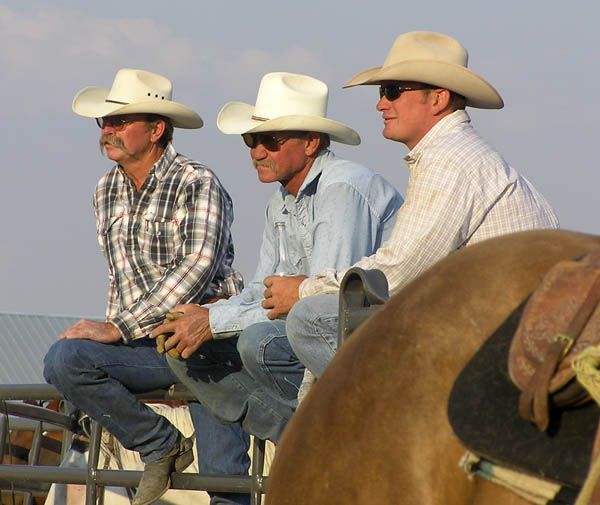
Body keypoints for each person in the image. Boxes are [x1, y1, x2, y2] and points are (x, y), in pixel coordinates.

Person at [150, 72, 402, 503]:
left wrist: (213, 320)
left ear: (310, 143)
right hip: (313, 336)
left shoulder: (342, 188)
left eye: (271, 140)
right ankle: (302, 436)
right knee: (186, 353)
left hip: (373, 341)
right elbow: (263, 288)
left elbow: (325, 301)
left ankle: (316, 437)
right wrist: (203, 318)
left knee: (256, 343)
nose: (258, 152)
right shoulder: (281, 201)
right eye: (252, 141)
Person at [262, 31, 560, 378]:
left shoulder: (449, 159)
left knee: (310, 318)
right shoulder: (454, 153)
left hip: (499, 332)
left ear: (438, 99)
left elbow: (396, 275)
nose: (380, 104)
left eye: (393, 91)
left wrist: (303, 289)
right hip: (505, 322)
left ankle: (382, 424)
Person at [43, 68, 245, 505]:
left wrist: (116, 328)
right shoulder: (106, 190)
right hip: (145, 344)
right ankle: (160, 444)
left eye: (120, 121)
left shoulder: (197, 182)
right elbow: (120, 278)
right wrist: (115, 332)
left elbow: (197, 267)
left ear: (156, 130)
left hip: (203, 341)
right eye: (105, 122)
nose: (108, 131)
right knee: (64, 359)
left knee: (225, 479)